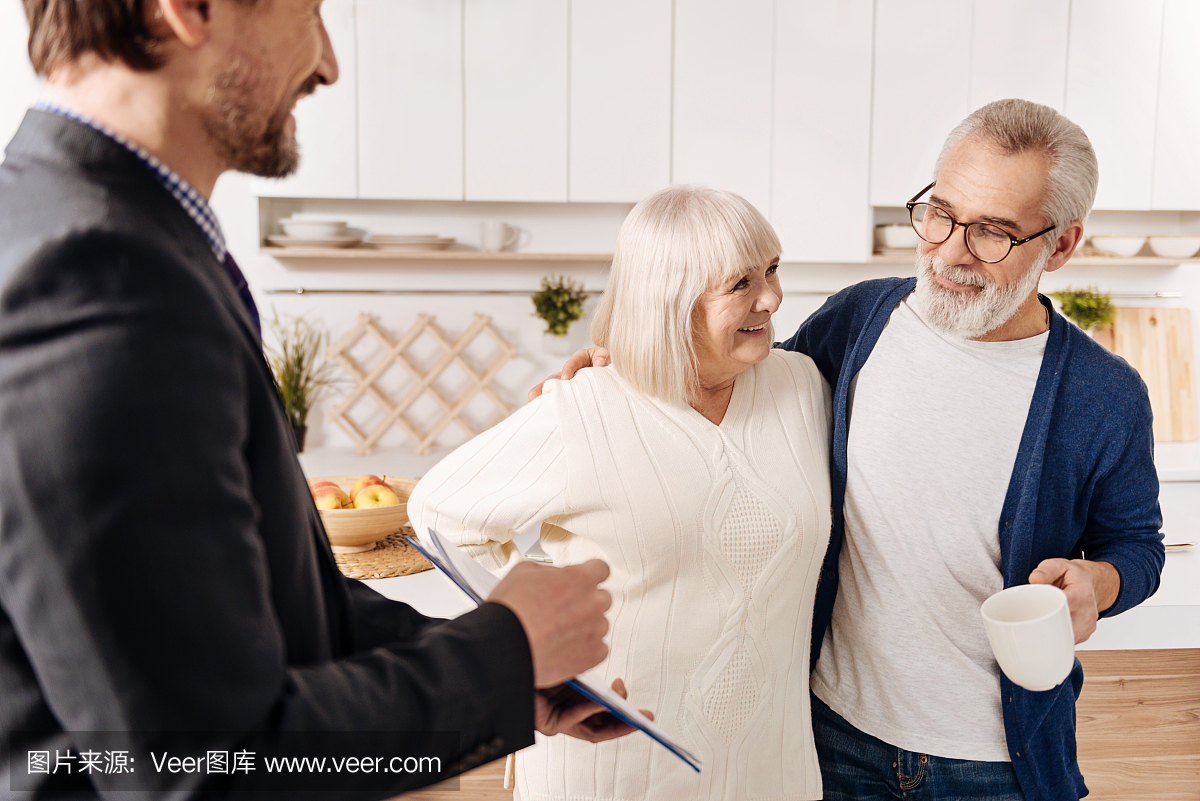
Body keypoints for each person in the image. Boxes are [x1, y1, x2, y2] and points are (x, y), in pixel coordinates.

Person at [0, 1, 632, 797]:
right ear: (188, 12)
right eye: (309, 12)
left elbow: (256, 605)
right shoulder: (96, 277)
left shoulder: (89, 227)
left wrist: (508, 667)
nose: (328, 63)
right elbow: (203, 762)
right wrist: (504, 650)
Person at [540, 99, 1165, 801]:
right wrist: (623, 369)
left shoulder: (1105, 396)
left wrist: (1100, 583)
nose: (951, 250)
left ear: (1060, 245)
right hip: (828, 732)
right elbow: (744, 394)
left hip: (992, 759)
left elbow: (1138, 545)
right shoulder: (859, 319)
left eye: (992, 231)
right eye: (941, 212)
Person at [409, 185, 833, 801]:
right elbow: (435, 513)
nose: (772, 296)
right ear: (670, 300)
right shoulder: (585, 409)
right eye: (740, 283)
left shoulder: (801, 386)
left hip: (771, 769)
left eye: (772, 270)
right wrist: (540, 644)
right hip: (615, 766)